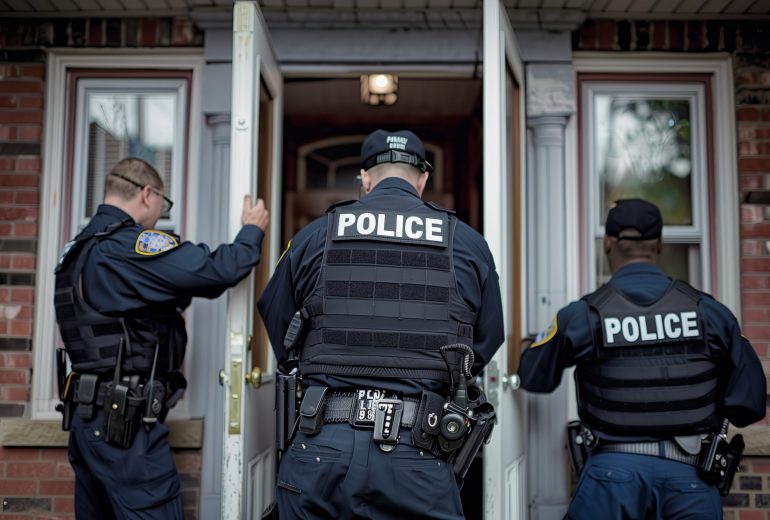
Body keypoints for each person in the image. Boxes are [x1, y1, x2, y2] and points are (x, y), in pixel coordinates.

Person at [257, 129, 505, 519]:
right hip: (419, 448)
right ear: (423, 180)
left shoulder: (316, 235)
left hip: (322, 444)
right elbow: (487, 340)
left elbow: (275, 313)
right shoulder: (468, 243)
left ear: (365, 178)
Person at [518, 198, 767, 519]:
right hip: (690, 481)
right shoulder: (710, 313)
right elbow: (749, 405)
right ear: (660, 244)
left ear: (607, 243)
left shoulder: (584, 315)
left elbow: (534, 377)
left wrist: (530, 345)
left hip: (611, 480)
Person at [54, 157, 269, 519]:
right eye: (163, 205)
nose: (160, 213)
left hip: (86, 420)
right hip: (123, 429)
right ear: (148, 194)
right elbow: (219, 269)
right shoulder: (127, 248)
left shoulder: (76, 251)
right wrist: (252, 231)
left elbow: (133, 305)